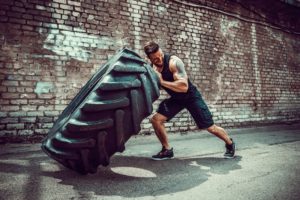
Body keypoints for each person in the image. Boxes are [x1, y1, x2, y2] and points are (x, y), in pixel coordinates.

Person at [143, 41, 236, 160]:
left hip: (191, 97)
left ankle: (229, 143)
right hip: (177, 99)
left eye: (160, 55)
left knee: (209, 127)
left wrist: (161, 81)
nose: (159, 59)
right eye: (155, 59)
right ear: (149, 58)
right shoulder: (153, 68)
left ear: (161, 51)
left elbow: (183, 87)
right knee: (156, 120)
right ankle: (167, 150)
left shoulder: (174, 62)